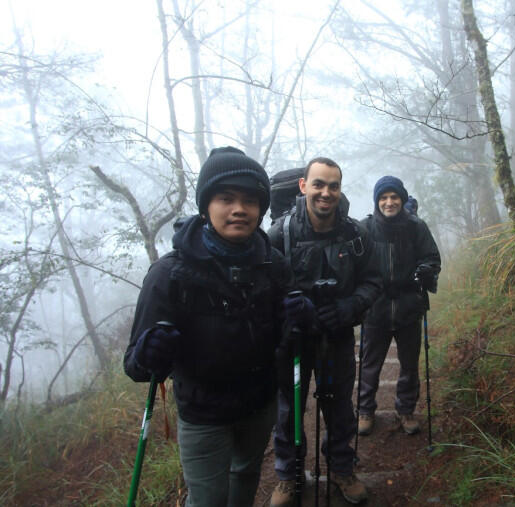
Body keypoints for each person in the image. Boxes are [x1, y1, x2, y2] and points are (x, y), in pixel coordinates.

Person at [124, 146, 309, 507]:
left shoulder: (273, 264)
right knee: (207, 499)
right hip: (203, 412)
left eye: (250, 200)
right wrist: (150, 353)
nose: (239, 208)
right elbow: (135, 366)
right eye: (226, 198)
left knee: (245, 475)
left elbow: (291, 336)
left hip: (258, 404)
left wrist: (302, 318)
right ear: (206, 205)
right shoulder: (170, 273)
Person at [268, 157, 382, 506]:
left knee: (339, 408)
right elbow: (264, 288)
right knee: (288, 409)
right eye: (318, 184)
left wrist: (350, 307)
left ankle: (342, 469)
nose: (326, 193)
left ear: (339, 189)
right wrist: (286, 319)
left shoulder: (355, 234)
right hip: (294, 341)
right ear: (304, 186)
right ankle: (288, 476)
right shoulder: (280, 233)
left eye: (333, 185)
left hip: (337, 336)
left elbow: (373, 280)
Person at [357, 176, 441, 437]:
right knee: (370, 365)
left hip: (408, 308)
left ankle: (406, 410)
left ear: (402, 200)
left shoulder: (416, 227)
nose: (389, 202)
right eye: (383, 197)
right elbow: (354, 264)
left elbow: (432, 258)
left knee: (409, 364)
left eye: (394, 197)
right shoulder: (365, 228)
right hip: (375, 309)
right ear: (377, 201)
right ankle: (365, 411)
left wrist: (426, 270)